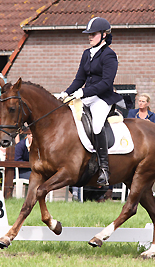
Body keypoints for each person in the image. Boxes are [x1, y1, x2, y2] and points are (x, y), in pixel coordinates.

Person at [59, 17, 122, 186]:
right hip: (86, 96)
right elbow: (79, 78)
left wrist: (83, 92)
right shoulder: (87, 54)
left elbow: (106, 83)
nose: (90, 37)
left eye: (93, 34)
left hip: (103, 97)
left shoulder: (110, 55)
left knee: (96, 126)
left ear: (103, 35)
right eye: (89, 34)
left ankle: (104, 168)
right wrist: (66, 92)